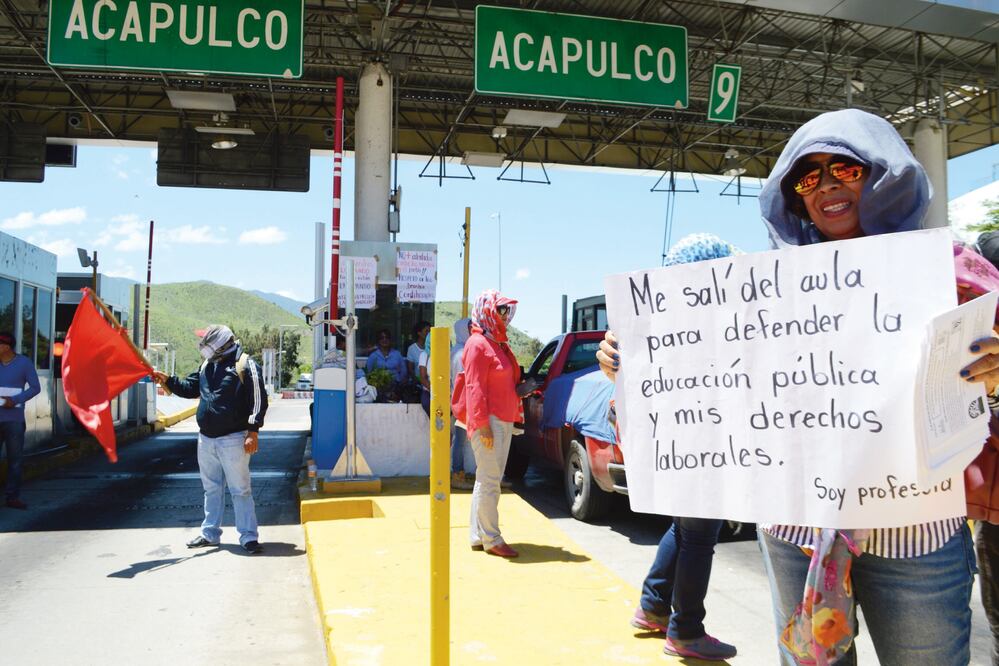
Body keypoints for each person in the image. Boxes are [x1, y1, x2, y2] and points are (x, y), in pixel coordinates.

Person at [600, 109, 989, 665]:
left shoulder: (949, 272)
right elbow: (709, 381)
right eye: (807, 178)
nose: (826, 185)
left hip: (916, 535)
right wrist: (633, 363)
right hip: (797, 534)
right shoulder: (765, 290)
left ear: (885, 173)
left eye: (844, 168)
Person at [600, 235, 740, 661]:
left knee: (686, 527)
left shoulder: (651, 319)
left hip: (670, 440)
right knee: (700, 533)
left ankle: (654, 607)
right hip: (695, 441)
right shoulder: (706, 322)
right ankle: (685, 630)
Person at [153, 325, 267, 554]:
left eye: (208, 345)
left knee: (240, 490)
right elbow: (190, 388)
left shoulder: (245, 365)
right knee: (211, 489)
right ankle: (210, 533)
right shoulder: (207, 365)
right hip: (206, 439)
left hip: (234, 439)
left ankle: (248, 536)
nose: (204, 349)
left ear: (222, 345)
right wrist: (169, 380)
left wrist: (252, 431)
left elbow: (258, 400)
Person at [460, 290, 525, 558]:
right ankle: (491, 537)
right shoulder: (477, 344)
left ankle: (479, 534)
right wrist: (482, 424)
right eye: (499, 310)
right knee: (490, 480)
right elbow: (474, 387)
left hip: (502, 418)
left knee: (487, 478)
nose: (504, 315)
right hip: (490, 421)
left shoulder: (497, 343)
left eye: (505, 311)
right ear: (486, 311)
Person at [0, 332, 40, 510]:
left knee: (15, 461)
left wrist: (15, 400)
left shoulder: (24, 363)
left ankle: (12, 497)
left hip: (14, 420)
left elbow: (35, 388)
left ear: (6, 346)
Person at [450, 318, 474, 490]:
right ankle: (457, 474)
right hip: (464, 401)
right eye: (470, 328)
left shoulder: (457, 350)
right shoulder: (461, 353)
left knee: (461, 438)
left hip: (461, 400)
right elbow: (464, 380)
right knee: (460, 439)